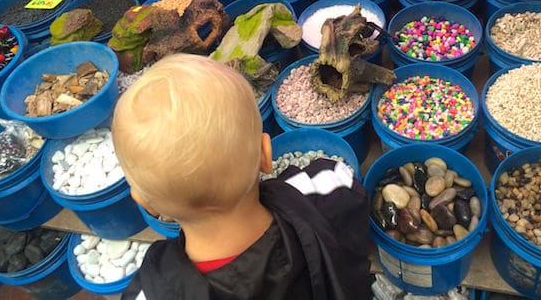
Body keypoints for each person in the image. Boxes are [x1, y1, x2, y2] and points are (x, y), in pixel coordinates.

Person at [112, 54, 372, 299]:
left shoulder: (150, 291)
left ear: (145, 203)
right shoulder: (319, 193)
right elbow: (343, 179)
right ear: (265, 154)